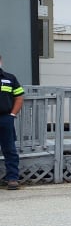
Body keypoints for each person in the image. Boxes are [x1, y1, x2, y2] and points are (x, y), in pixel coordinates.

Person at [0, 54, 25, 190]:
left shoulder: (10, 78)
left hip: (5, 118)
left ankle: (12, 179)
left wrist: (12, 115)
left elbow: (19, 97)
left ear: (1, 61)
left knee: (9, 150)